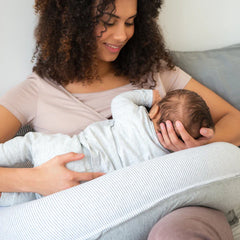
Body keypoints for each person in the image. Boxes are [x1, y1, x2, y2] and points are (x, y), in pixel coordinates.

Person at [0, 0, 239, 239]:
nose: (122, 35)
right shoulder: (36, 92)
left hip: (176, 208)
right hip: (91, 211)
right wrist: (36, 179)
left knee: (182, 228)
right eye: (108, 22)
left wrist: (194, 146)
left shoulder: (155, 71)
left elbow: (235, 120)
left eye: (130, 22)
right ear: (72, 23)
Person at [0, 89, 215, 206]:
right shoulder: (163, 160)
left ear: (155, 111)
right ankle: (5, 200)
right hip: (85, 187)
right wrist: (193, 152)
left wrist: (148, 96)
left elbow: (120, 100)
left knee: (29, 143)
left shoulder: (135, 117)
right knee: (32, 198)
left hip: (72, 151)